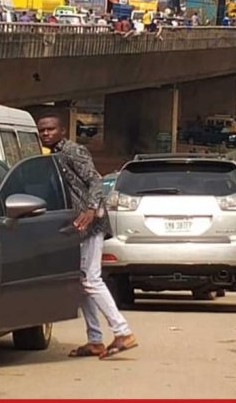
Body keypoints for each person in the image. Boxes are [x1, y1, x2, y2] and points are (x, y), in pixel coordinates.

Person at [37, 112, 138, 359]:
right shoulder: (49, 155)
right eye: (42, 130)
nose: (46, 133)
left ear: (62, 130)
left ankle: (123, 331)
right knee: (82, 282)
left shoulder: (73, 151)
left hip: (90, 223)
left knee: (91, 279)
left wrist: (92, 209)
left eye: (51, 129)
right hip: (75, 225)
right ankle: (95, 340)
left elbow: (94, 179)